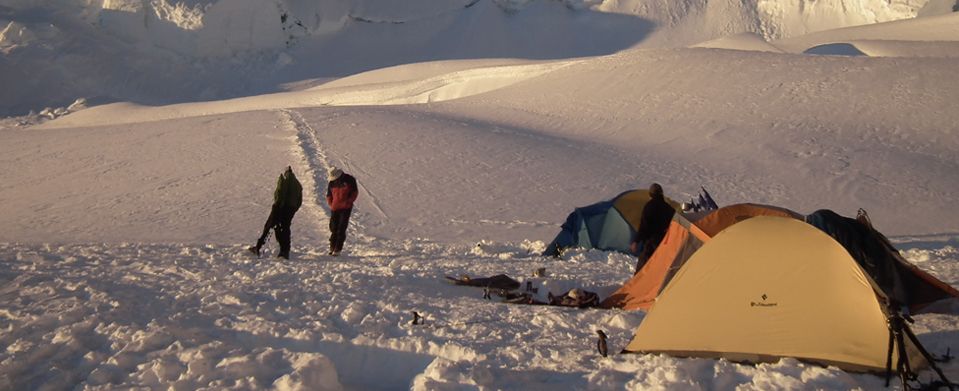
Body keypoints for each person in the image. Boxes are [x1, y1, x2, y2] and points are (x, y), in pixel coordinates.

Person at [249, 166, 303, 259]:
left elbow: (280, 193)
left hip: (280, 207)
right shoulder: (298, 184)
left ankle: (259, 247)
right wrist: (293, 209)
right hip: (290, 209)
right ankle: (284, 251)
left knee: (269, 226)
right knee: (285, 228)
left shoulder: (284, 179)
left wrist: (278, 205)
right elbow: (299, 200)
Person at [631, 183, 675, 273]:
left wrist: (636, 240)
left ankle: (638, 285)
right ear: (661, 193)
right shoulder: (668, 208)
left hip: (651, 242)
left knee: (642, 268)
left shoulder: (649, 207)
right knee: (661, 266)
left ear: (650, 194)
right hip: (665, 241)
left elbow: (644, 226)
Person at [326, 166, 358, 256]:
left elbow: (354, 193)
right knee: (333, 228)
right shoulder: (331, 183)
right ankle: (332, 246)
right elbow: (329, 194)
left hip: (346, 208)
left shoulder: (349, 180)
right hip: (335, 208)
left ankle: (338, 248)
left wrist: (348, 202)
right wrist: (331, 204)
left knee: (341, 228)